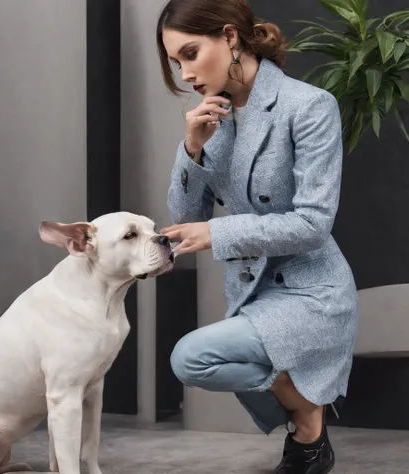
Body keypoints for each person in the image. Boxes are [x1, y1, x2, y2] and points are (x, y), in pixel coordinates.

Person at [156, 1, 359, 473]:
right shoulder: (213, 117)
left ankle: (307, 427)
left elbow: (312, 224)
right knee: (194, 363)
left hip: (314, 290)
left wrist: (218, 231)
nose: (186, 73)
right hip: (254, 290)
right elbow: (184, 218)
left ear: (230, 37)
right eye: (175, 63)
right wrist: (192, 149)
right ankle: (310, 422)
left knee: (191, 357)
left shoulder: (308, 106)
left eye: (190, 53)